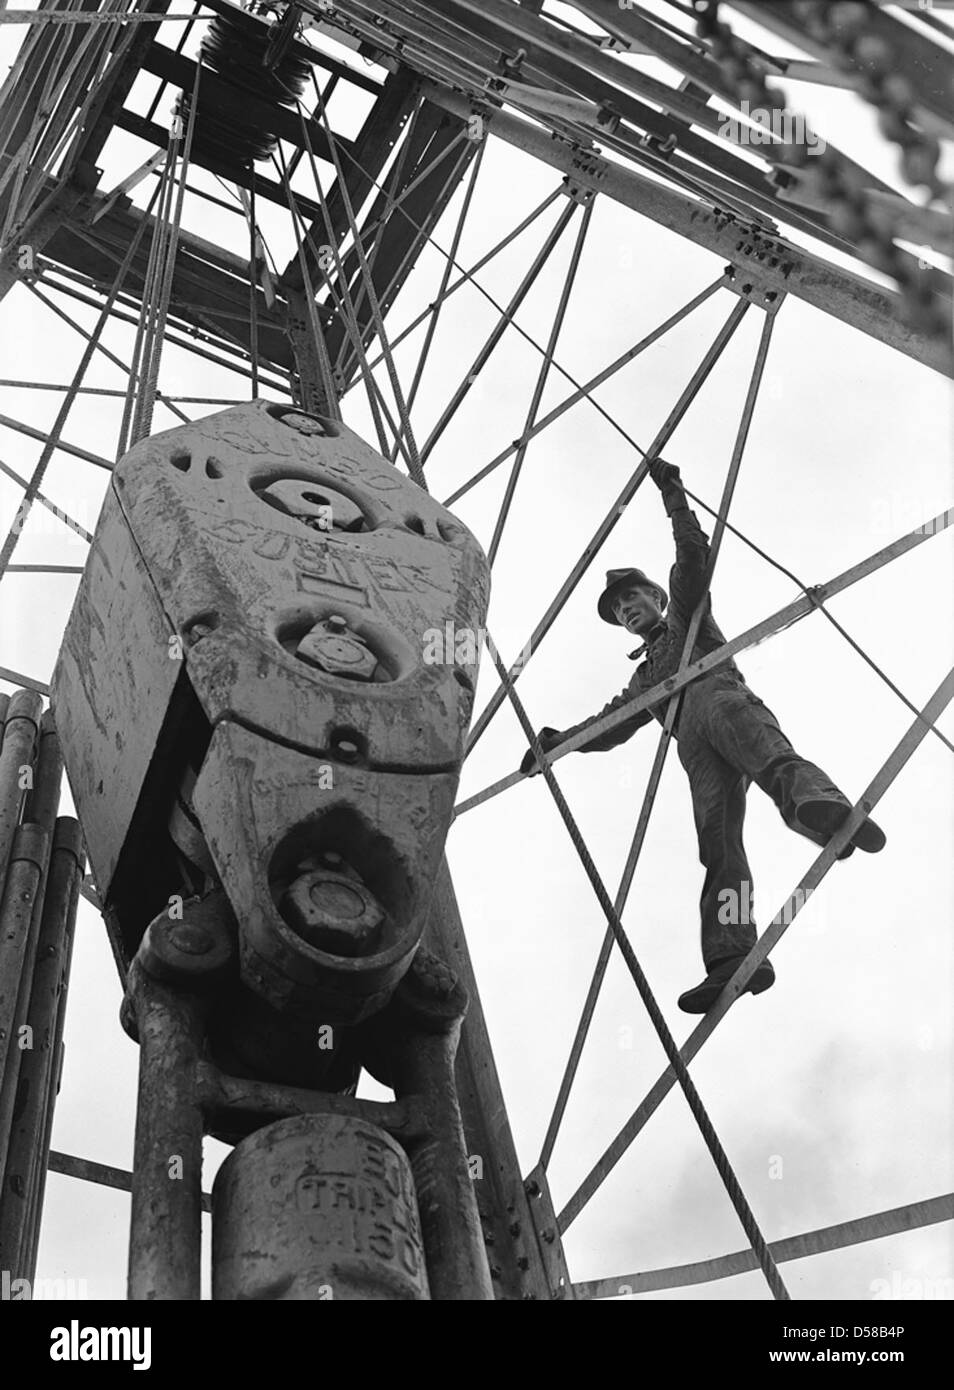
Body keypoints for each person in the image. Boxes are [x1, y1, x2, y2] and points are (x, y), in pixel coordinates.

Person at [520, 458, 886, 1014]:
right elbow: (612, 725)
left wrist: (673, 492)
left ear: (657, 599)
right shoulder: (644, 675)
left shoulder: (688, 614)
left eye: (633, 600)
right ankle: (733, 956)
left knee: (770, 758)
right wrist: (557, 742)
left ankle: (822, 807)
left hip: (719, 695)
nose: (627, 611)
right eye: (620, 611)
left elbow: (693, 556)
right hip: (691, 744)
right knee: (718, 848)